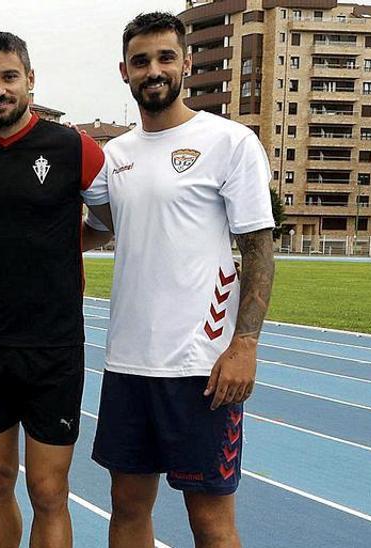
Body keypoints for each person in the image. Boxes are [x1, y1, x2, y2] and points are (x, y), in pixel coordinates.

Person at [83, 13, 275, 548]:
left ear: (187, 63)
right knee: (126, 509)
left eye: (166, 57)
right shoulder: (112, 158)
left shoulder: (229, 142)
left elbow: (259, 249)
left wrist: (245, 344)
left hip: (202, 367)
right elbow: (101, 228)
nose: (154, 70)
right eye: (141, 61)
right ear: (124, 71)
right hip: (127, 364)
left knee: (210, 521)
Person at [0, 31, 107, 548]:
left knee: (49, 490)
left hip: (54, 345)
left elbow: (108, 220)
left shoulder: (75, 148)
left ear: (30, 80)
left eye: (9, 77)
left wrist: (61, 246)